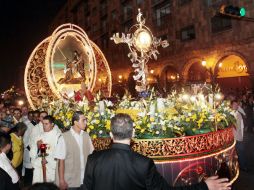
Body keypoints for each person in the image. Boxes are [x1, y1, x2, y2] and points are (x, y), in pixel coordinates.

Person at [81, 113, 231, 190]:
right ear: (133, 134)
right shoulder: (143, 163)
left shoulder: (93, 159)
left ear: (111, 135)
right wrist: (204, 186)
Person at [55, 111, 94, 190]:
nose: (86, 122)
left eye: (86, 120)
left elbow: (91, 156)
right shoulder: (64, 137)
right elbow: (61, 161)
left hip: (85, 180)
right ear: (76, 122)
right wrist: (61, 180)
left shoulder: (86, 136)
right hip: (70, 181)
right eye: (83, 120)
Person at [30, 115, 61, 183]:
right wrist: (37, 146)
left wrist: (48, 160)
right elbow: (33, 152)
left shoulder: (58, 136)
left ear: (52, 124)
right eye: (43, 124)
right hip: (40, 166)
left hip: (52, 167)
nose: (44, 126)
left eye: (46, 124)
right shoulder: (39, 136)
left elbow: (59, 154)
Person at [231, 100, 248, 171]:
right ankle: (235, 167)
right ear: (231, 105)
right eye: (234, 105)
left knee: (241, 152)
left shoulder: (239, 114)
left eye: (237, 105)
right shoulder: (229, 114)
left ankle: (242, 166)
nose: (236, 106)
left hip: (239, 137)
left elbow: (241, 126)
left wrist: (242, 135)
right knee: (233, 153)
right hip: (232, 137)